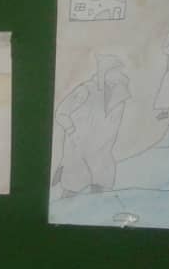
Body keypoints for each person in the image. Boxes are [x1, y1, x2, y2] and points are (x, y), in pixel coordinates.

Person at [52, 54, 131, 198]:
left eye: (119, 70)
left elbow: (114, 124)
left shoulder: (121, 94)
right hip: (78, 147)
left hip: (102, 151)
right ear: (104, 72)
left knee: (100, 189)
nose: (119, 74)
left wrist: (105, 141)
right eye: (115, 70)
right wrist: (71, 131)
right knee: (72, 187)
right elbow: (61, 113)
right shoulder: (86, 90)